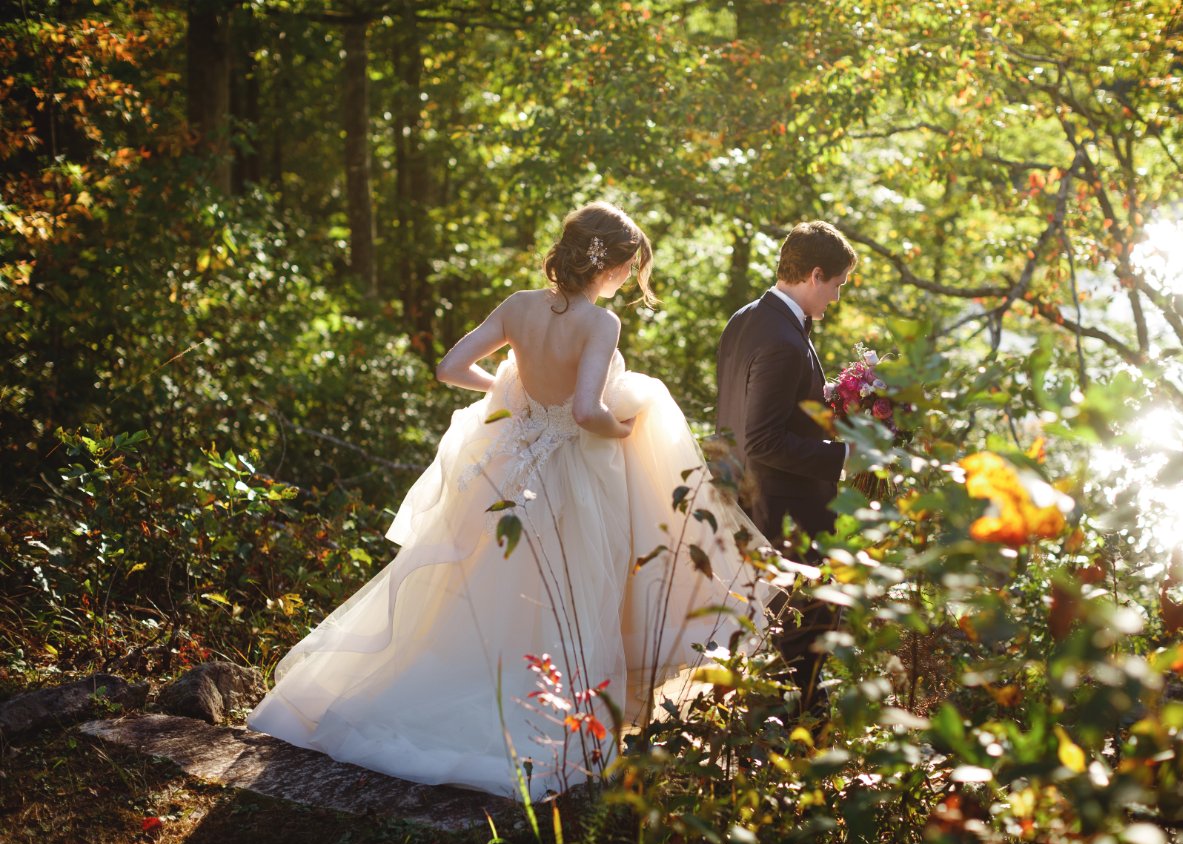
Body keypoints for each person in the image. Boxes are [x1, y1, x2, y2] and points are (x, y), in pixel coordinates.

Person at [246, 202, 769, 800]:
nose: (629, 278)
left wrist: (509, 393)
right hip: (571, 477)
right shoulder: (600, 324)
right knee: (563, 593)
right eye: (630, 267)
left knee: (478, 590)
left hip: (504, 470)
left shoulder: (519, 305)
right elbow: (586, 411)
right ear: (610, 265)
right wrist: (625, 428)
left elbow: (450, 367)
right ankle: (537, 716)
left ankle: (434, 694)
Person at [714, 220, 857, 711]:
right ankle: (803, 746)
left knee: (770, 655)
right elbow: (763, 439)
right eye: (836, 284)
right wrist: (844, 456)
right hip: (786, 519)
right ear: (815, 275)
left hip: (748, 509)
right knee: (803, 651)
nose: (836, 296)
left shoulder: (746, 319)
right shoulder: (781, 339)